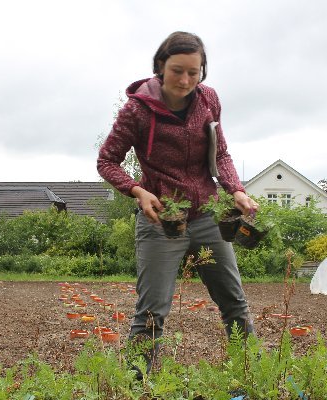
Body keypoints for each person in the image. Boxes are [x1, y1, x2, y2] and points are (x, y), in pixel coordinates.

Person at [97, 31, 258, 375]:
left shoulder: (209, 100)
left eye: (194, 72)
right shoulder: (137, 110)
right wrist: (137, 191)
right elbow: (107, 161)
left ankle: (251, 373)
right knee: (152, 312)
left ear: (202, 71)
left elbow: (222, 152)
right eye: (177, 71)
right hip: (161, 222)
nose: (185, 80)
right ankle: (136, 384)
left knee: (234, 303)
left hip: (207, 218)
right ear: (160, 66)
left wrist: (237, 190)